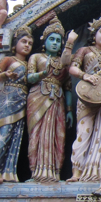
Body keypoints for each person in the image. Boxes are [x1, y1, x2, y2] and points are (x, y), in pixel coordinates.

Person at [0, 27, 41, 184]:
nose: (27, 45)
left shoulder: (30, 63)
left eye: (30, 43)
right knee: (2, 133)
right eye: (23, 41)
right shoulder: (9, 60)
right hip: (8, 98)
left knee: (16, 136)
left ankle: (7, 172)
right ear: (15, 44)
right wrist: (5, 75)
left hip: (23, 100)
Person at [69, 9, 101, 182]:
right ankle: (77, 171)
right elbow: (72, 68)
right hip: (86, 95)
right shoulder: (84, 50)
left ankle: (96, 170)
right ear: (94, 33)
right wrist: (85, 76)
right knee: (84, 131)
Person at [27, 18, 76, 183]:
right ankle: (36, 172)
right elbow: (29, 77)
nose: (55, 43)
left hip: (58, 100)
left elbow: (68, 87)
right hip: (38, 96)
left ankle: (54, 172)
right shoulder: (36, 57)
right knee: (37, 132)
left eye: (58, 41)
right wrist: (43, 73)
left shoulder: (63, 63)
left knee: (57, 134)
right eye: (52, 39)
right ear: (45, 41)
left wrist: (69, 111)